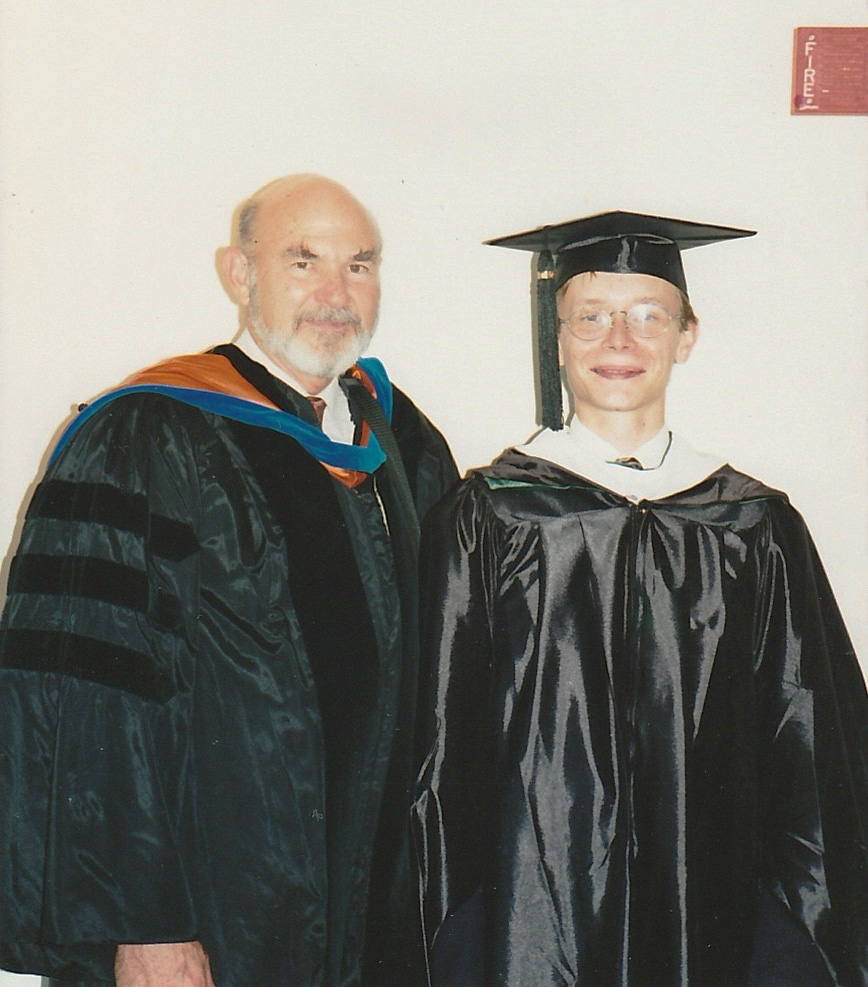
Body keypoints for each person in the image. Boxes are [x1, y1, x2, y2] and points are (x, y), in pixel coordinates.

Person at [0, 173, 457, 987]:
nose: (334, 292)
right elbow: (94, 706)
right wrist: (143, 926)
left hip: (369, 911)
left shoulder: (405, 441)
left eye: (360, 264)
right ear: (239, 273)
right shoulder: (149, 433)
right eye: (303, 259)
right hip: (212, 915)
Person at [413, 211, 867, 987]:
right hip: (531, 922)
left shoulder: (751, 525)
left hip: (712, 919)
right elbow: (437, 752)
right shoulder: (490, 517)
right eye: (590, 317)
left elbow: (809, 746)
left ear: (687, 336)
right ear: (556, 335)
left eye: (647, 316)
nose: (617, 341)